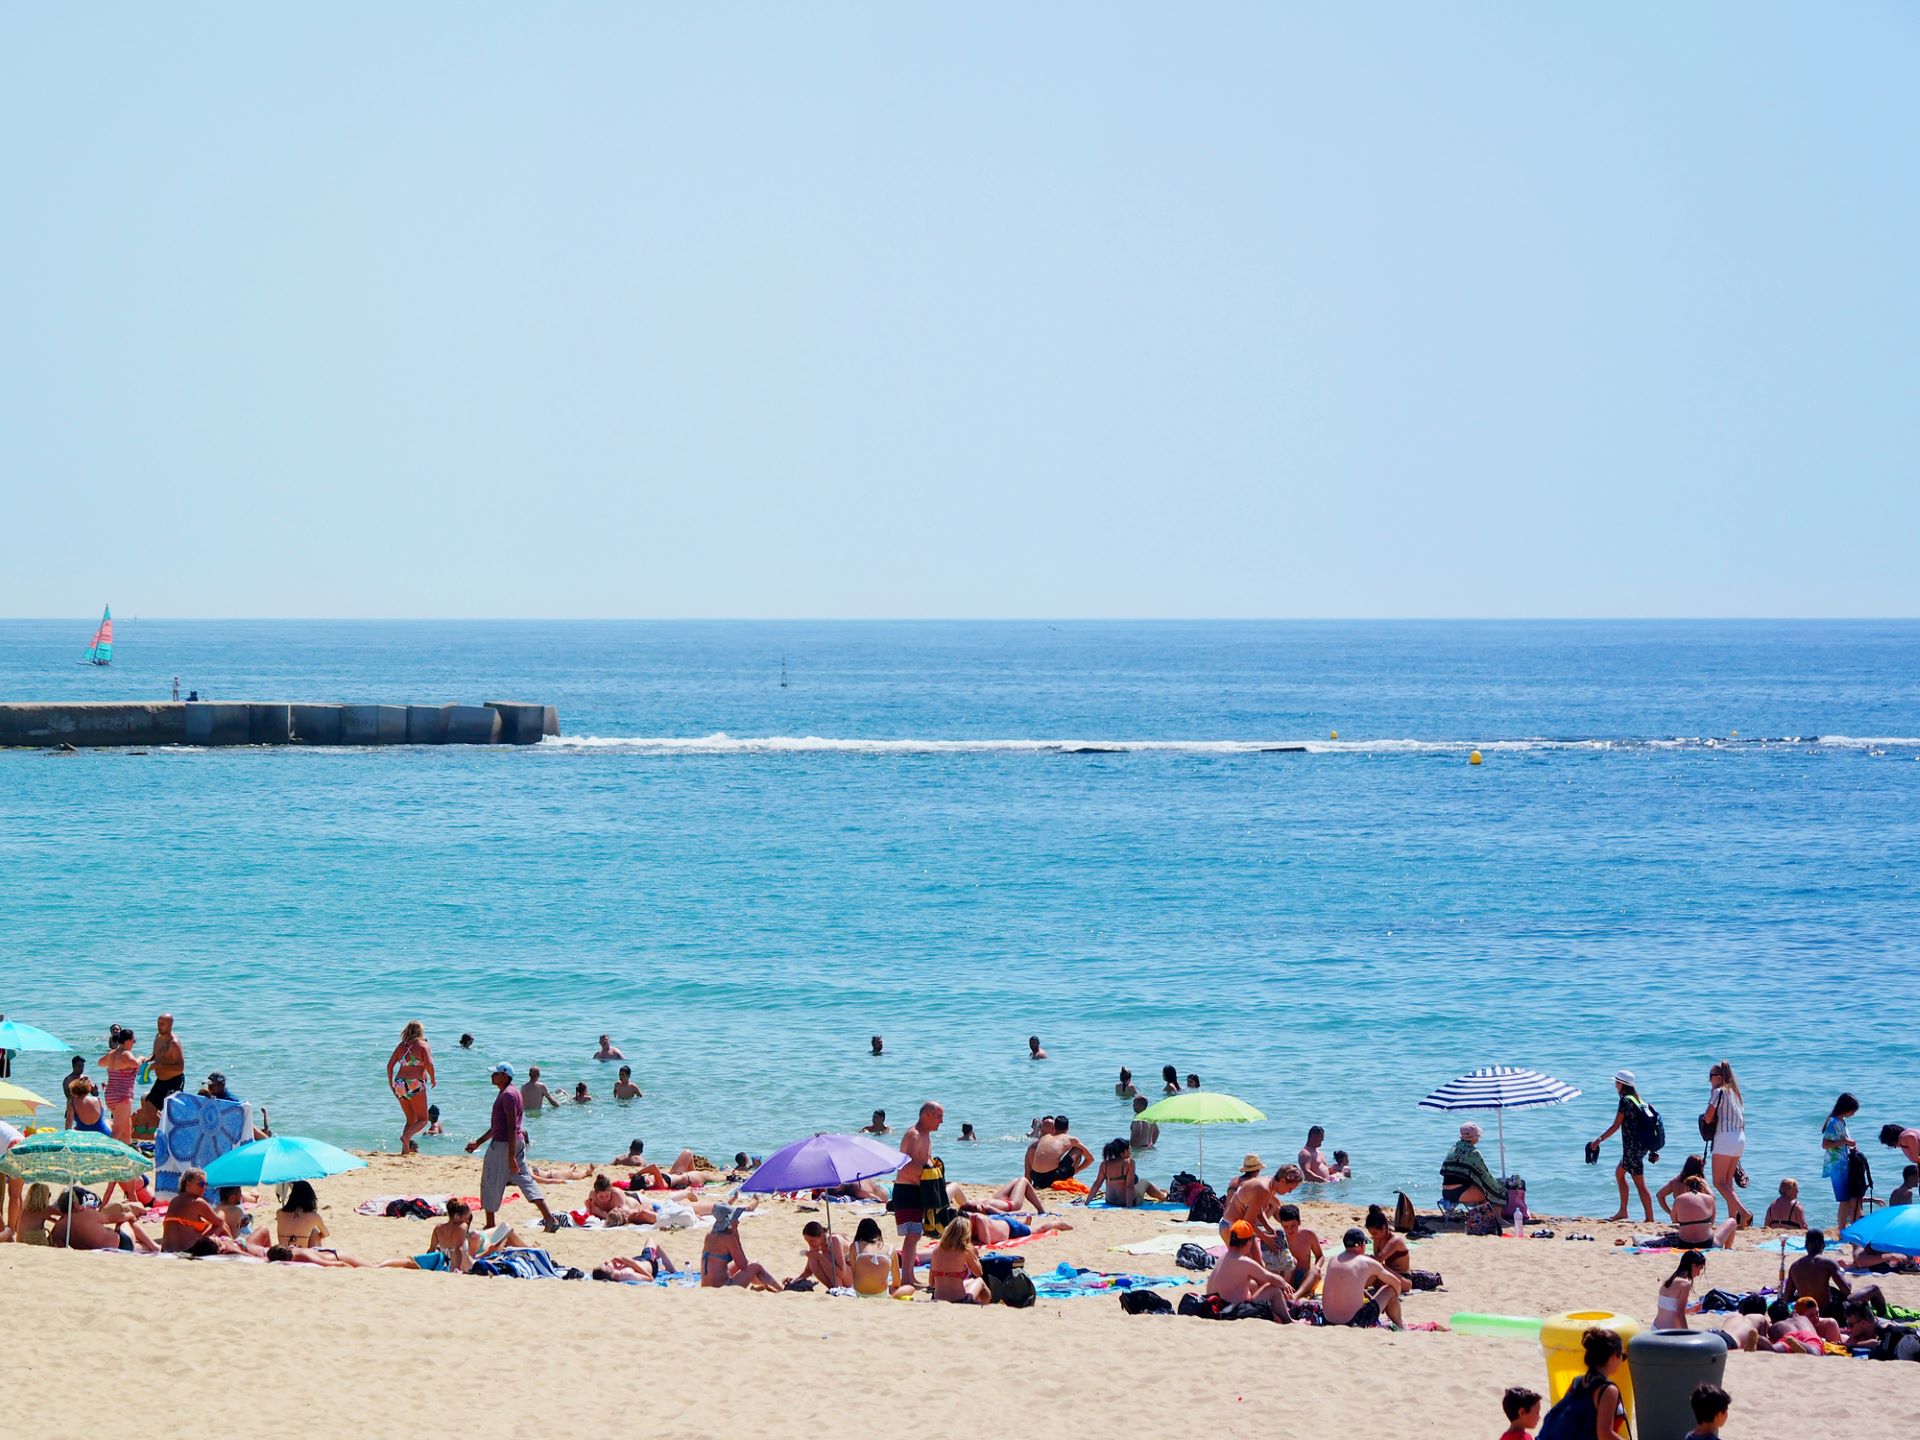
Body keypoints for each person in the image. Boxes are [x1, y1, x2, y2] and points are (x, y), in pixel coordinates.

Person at [464, 1063, 559, 1232]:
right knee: (525, 1179)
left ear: (504, 1076)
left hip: (504, 1144)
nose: (492, 1076)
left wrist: (510, 1156)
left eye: (495, 1074)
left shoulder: (507, 1095)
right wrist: (479, 1142)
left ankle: (490, 1223)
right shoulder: (512, 1092)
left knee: (491, 1179)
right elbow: (498, 1125)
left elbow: (510, 1126)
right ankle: (549, 1218)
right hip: (515, 1142)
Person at [1535, 1328, 1628, 1440]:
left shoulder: (1577, 1382)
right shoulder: (1608, 1390)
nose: (1622, 1360)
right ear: (1613, 1357)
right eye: (1621, 1356)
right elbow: (1604, 1434)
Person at [1590, 1070, 1657, 1223]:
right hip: (1640, 1147)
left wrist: (1598, 1141)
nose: (1615, 1086)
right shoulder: (1639, 1100)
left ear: (1622, 1084)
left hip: (1632, 1148)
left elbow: (1616, 1125)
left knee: (1640, 1183)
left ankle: (1649, 1218)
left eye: (1616, 1083)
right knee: (1620, 1174)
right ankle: (1623, 1211)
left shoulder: (1626, 1101)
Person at [890, 1100, 942, 1285]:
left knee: (916, 1234)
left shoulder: (927, 1136)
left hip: (918, 1191)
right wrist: (929, 1169)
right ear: (926, 1115)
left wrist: (934, 1169)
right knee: (912, 1235)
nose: (941, 1122)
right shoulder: (914, 1135)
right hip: (906, 1189)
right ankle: (907, 1278)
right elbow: (905, 1165)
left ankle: (909, 1276)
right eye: (939, 1117)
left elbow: (925, 1161)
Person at [1322, 1227, 1407, 1327]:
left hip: (1327, 1319)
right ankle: (1400, 1324)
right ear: (1362, 1245)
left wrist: (1372, 1299)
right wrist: (1391, 1302)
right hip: (1353, 1321)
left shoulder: (1333, 1259)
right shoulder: (1366, 1262)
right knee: (1389, 1290)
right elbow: (1397, 1283)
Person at [1701, 1061, 1752, 1227]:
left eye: (1711, 1077)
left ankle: (1743, 1213)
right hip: (1740, 1138)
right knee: (1728, 1183)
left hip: (1725, 1138)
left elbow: (1708, 1117)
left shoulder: (1718, 1092)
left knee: (1718, 1182)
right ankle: (1733, 1220)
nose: (1709, 1081)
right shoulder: (1736, 1094)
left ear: (1719, 1077)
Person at [1205, 1218, 1295, 1312]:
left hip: (1212, 1305)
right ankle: (1288, 1320)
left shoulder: (1222, 1257)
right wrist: (1284, 1284)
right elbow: (1271, 1278)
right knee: (1274, 1290)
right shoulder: (1244, 1261)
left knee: (1252, 1284)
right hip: (1229, 1309)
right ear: (1249, 1242)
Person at [162, 1169, 245, 1255]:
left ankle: (232, 1244)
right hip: (188, 1250)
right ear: (188, 1184)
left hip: (165, 1250)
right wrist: (221, 1210)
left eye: (206, 1184)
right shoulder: (197, 1202)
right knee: (220, 1224)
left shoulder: (174, 1201)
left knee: (210, 1224)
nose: (204, 1188)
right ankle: (233, 1245)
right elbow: (219, 1221)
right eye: (201, 1184)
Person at [50, 1188, 159, 1252]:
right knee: (126, 1221)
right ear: (75, 1204)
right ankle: (155, 1246)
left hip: (104, 1250)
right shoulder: (86, 1214)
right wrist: (130, 1215)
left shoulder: (59, 1227)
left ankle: (154, 1247)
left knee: (143, 1247)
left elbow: (57, 1245)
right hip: (121, 1243)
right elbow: (117, 1217)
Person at [699, 1203, 779, 1290]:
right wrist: (735, 1234)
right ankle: (779, 1289)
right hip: (721, 1286)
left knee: (748, 1264)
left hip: (706, 1284)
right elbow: (743, 1265)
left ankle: (763, 1285)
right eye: (735, 1218)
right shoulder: (728, 1238)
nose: (737, 1221)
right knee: (755, 1266)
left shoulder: (709, 1235)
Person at [386, 1020, 435, 1155]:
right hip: (415, 1082)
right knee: (423, 1120)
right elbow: (429, 1064)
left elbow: (390, 1066)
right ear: (420, 1032)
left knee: (410, 1119)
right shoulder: (423, 1045)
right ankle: (407, 1137)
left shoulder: (401, 1046)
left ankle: (405, 1150)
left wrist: (391, 1083)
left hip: (399, 1083)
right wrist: (433, 1078)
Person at [1823, 1092, 1864, 1230]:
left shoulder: (1842, 1122)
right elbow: (1825, 1144)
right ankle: (1841, 1230)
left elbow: (1841, 1142)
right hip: (1837, 1166)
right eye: (1853, 1110)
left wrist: (1850, 1146)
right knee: (1844, 1200)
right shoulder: (1833, 1122)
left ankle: (1849, 1228)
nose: (1853, 1113)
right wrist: (1845, 1141)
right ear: (1846, 1108)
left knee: (1850, 1199)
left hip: (1845, 1164)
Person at [1083, 1138, 1165, 1206]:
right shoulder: (1129, 1162)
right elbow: (1129, 1186)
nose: (1131, 1150)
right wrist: (1129, 1206)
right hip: (1125, 1201)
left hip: (1110, 1201)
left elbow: (1097, 1184)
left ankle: (1162, 1195)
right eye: (1129, 1149)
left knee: (1137, 1183)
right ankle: (1163, 1196)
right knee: (1145, 1182)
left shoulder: (1105, 1164)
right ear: (1123, 1152)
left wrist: (1087, 1202)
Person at [1440, 1123, 1506, 1208]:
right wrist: (1499, 1186)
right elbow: (1485, 1176)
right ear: (1474, 1137)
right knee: (1493, 1191)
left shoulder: (1453, 1149)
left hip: (1445, 1192)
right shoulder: (1473, 1153)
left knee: (1483, 1188)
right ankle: (1498, 1219)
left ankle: (1483, 1215)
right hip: (1460, 1193)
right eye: (1477, 1135)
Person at [927, 1215, 989, 1304]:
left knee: (970, 1282)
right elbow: (979, 1273)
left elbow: (931, 1283)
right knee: (979, 1281)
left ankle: (982, 1304)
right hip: (958, 1299)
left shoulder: (936, 1251)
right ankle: (985, 1305)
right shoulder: (965, 1251)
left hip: (937, 1297)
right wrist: (975, 1257)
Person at [1023, 1114, 1092, 1190]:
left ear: (1054, 1128)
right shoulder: (1070, 1139)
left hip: (1037, 1179)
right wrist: (1076, 1170)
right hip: (1052, 1179)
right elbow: (1090, 1158)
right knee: (1078, 1150)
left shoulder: (1042, 1140)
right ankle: (1070, 1177)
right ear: (1067, 1128)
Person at [98, 1025, 143, 1142]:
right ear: (128, 1041)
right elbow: (135, 1063)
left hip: (110, 1095)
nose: (134, 1042)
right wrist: (142, 1058)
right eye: (133, 1040)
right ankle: (107, 1151)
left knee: (127, 1125)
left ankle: (127, 1147)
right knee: (118, 1128)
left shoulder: (112, 1053)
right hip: (122, 1097)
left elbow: (100, 1063)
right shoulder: (126, 1054)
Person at [1670, 1175, 1737, 1250]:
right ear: (1702, 1187)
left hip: (1684, 1244)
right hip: (1707, 1243)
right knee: (1732, 1221)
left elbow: (1674, 1219)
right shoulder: (1709, 1199)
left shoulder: (1679, 1199)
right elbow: (1712, 1222)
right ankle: (1728, 1249)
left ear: (1686, 1187)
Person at [788, 1220, 854, 1289]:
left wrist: (821, 1257)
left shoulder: (834, 1241)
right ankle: (834, 1288)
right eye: (807, 1242)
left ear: (821, 1235)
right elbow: (808, 1270)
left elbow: (841, 1273)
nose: (810, 1244)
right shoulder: (816, 1244)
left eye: (812, 1241)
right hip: (843, 1277)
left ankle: (838, 1289)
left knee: (826, 1257)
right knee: (814, 1262)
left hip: (856, 1277)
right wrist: (795, 1280)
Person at [1278, 1203, 1326, 1293]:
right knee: (1291, 1262)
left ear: (1299, 1222)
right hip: (1287, 1278)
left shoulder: (1309, 1235)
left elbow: (1320, 1256)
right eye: (1286, 1227)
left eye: (1293, 1226)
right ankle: (1288, 1293)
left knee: (1316, 1272)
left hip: (1305, 1276)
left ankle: (1296, 1296)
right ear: (1281, 1224)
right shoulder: (1279, 1238)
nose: (1290, 1230)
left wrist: (1317, 1266)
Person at [1656, 1249, 1706, 1329]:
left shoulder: (1668, 1281)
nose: (1698, 1274)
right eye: (1699, 1269)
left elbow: (1669, 1311)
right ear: (1693, 1266)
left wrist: (1690, 1310)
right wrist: (1686, 1333)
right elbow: (1679, 1314)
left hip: (1655, 1329)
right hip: (1667, 1334)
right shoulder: (1684, 1284)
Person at [145, 1012, 184, 1116]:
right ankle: (155, 1131)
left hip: (174, 1082)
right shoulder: (158, 1037)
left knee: (170, 1113)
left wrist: (158, 1066)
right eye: (158, 1023)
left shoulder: (174, 1043)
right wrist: (148, 1059)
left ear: (170, 1025)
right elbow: (156, 1054)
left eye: (162, 1024)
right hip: (160, 1081)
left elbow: (180, 1068)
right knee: (148, 1108)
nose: (159, 1027)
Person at [950, 1176, 1049, 1215]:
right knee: (1023, 1180)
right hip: (1012, 1205)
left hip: (997, 1200)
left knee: (1016, 1180)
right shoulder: (984, 1207)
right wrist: (1023, 1213)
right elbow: (1003, 1214)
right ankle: (1041, 1210)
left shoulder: (971, 1206)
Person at [276, 1180, 331, 1249]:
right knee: (313, 1231)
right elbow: (326, 1234)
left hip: (283, 1253)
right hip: (300, 1254)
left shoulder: (279, 1213)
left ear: (292, 1196)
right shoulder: (314, 1217)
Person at [850, 1216, 895, 1296]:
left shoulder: (855, 1246)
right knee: (909, 1288)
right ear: (877, 1231)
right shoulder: (890, 1249)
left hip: (860, 1292)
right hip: (881, 1292)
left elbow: (854, 1275)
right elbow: (897, 1282)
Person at [1364, 1203, 1409, 1281]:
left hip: (1402, 1277)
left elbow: (1378, 1259)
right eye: (1371, 1234)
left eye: (1375, 1233)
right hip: (1389, 1273)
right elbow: (1376, 1258)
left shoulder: (1395, 1240)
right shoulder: (1378, 1237)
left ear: (1384, 1227)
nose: (1373, 1236)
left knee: (1373, 1267)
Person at [1656, 1154, 1708, 1219]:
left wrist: (1671, 1213)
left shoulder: (1675, 1182)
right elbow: (1712, 1197)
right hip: (1698, 1218)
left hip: (1680, 1218)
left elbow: (1659, 1195)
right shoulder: (1700, 1182)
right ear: (1699, 1168)